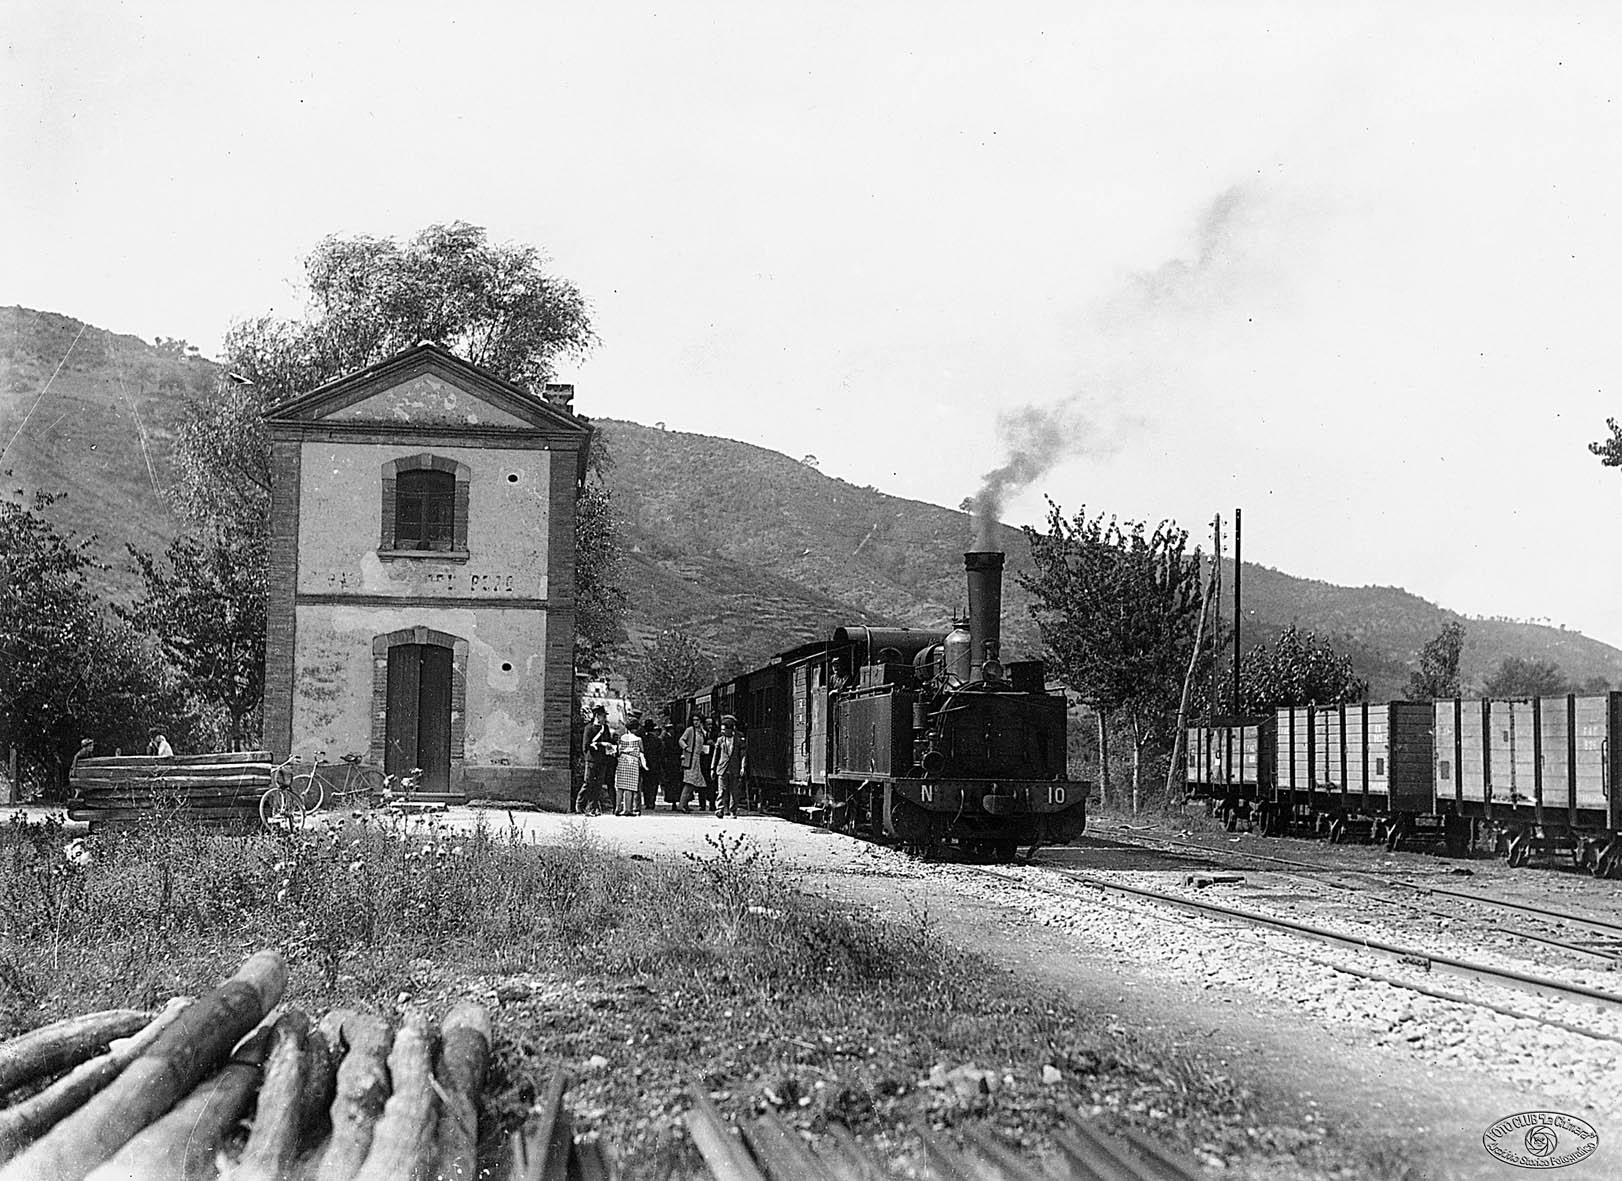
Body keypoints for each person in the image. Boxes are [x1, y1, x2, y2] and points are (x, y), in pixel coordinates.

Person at [576, 705, 614, 816]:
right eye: (603, 716)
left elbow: (608, 741)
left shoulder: (605, 728)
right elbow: (585, 746)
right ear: (597, 716)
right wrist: (598, 744)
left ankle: (592, 808)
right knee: (588, 783)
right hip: (592, 760)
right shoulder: (589, 728)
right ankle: (580, 804)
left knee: (598, 785)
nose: (604, 718)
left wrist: (610, 747)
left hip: (602, 760)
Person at [713, 715, 747, 818]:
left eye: (724, 729)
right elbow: (716, 755)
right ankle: (720, 809)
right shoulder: (720, 740)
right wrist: (712, 768)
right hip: (722, 768)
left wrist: (742, 767)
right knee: (722, 790)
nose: (722, 731)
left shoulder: (739, 739)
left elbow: (743, 755)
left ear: (731, 729)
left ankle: (733, 811)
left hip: (734, 768)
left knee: (734, 791)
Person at [614, 717, 647, 816]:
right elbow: (642, 750)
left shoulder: (622, 738)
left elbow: (618, 750)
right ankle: (628, 809)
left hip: (622, 760)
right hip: (632, 761)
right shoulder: (638, 739)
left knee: (620, 786)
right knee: (630, 786)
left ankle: (618, 807)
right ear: (636, 729)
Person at [678, 713, 707, 813]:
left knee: (693, 783)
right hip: (690, 759)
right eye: (694, 720)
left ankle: (684, 804)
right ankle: (682, 805)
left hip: (697, 759)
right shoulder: (690, 730)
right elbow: (681, 740)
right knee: (689, 782)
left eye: (698, 720)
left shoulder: (701, 732)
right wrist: (686, 748)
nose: (696, 722)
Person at [639, 719, 664, 812]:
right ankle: (651, 802)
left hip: (645, 764)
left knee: (645, 784)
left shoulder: (643, 739)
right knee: (653, 784)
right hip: (655, 765)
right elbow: (661, 753)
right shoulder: (657, 740)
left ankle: (646, 801)